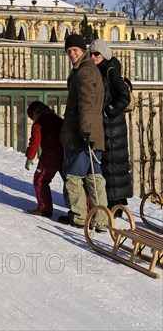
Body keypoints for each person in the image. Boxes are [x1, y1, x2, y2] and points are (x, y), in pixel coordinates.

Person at [58, 34, 108, 231]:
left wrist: (85, 130)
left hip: (82, 134)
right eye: (68, 51)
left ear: (83, 51)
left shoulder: (84, 72)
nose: (71, 54)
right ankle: (102, 221)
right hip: (93, 132)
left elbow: (86, 103)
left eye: (75, 50)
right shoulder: (89, 68)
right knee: (94, 177)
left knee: (73, 176)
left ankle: (79, 217)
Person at [89, 40, 133, 217]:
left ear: (104, 55)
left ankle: (115, 207)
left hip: (113, 127)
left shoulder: (110, 71)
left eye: (96, 54)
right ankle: (117, 204)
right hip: (109, 126)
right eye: (90, 54)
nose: (92, 57)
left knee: (114, 166)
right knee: (112, 166)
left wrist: (108, 111)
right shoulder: (100, 69)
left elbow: (124, 97)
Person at [24, 101, 64, 218]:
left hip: (50, 157)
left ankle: (44, 209)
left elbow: (35, 141)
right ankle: (83, 210)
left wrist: (29, 157)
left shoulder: (39, 124)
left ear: (35, 113)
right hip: (65, 155)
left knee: (40, 180)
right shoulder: (57, 119)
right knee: (71, 182)